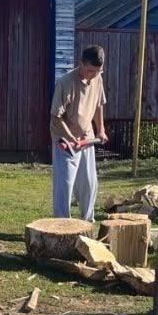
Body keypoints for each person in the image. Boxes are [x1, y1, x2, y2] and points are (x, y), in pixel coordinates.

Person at [50, 44, 109, 222]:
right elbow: (55, 117)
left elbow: (99, 104)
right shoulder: (65, 82)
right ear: (81, 64)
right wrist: (71, 138)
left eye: (97, 71)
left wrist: (101, 130)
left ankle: (87, 222)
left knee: (89, 184)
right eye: (90, 70)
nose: (93, 75)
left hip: (87, 137)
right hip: (64, 139)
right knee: (65, 184)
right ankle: (61, 224)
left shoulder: (98, 78)